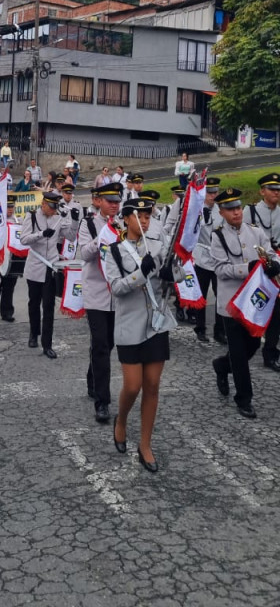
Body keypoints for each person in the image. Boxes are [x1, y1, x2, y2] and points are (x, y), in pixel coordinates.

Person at [104, 200, 174, 473]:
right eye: (138, 216)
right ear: (125, 219)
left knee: (152, 386)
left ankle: (145, 444)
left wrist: (171, 272)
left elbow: (175, 276)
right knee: (133, 386)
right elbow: (116, 288)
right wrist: (140, 273)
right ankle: (121, 420)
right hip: (129, 327)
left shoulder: (157, 246)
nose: (144, 221)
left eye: (147, 216)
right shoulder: (114, 251)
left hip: (156, 324)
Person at [210, 187, 278, 419]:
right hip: (231, 305)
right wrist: (246, 268)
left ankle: (221, 366)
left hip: (253, 303)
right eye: (230, 209)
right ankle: (244, 398)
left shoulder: (255, 231)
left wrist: (273, 264)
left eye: (238, 207)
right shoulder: (218, 236)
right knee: (239, 353)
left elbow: (270, 253)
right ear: (222, 212)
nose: (236, 212)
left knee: (253, 346)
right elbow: (220, 269)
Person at [77, 183, 123, 422]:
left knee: (107, 344)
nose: (114, 205)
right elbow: (84, 254)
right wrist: (102, 237)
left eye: (117, 201)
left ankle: (92, 377)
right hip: (96, 293)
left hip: (117, 294)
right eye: (110, 201)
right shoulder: (89, 224)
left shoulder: (123, 224)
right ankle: (102, 401)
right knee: (101, 344)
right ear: (99, 202)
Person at [19, 191, 77, 359]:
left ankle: (47, 344)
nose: (53, 210)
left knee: (49, 306)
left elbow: (71, 236)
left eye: (55, 207)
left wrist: (74, 220)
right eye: (51, 207)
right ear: (43, 204)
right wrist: (41, 234)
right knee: (34, 303)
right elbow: (23, 239)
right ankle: (33, 333)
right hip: (35, 266)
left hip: (50, 267)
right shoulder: (31, 216)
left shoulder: (58, 217)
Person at [243, 172, 280, 372]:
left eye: (278, 189)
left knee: (277, 311)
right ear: (262, 191)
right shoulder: (251, 211)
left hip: (277, 267)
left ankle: (271, 352)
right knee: (256, 306)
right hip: (257, 267)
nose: (276, 192)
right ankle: (246, 344)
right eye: (272, 189)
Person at [190, 177, 222, 344]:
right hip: (201, 257)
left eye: (215, 192)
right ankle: (200, 328)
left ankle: (219, 330)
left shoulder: (221, 209)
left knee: (220, 294)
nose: (213, 195)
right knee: (201, 294)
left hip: (218, 258)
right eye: (209, 192)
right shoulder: (196, 209)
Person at [0, 194, 25, 321]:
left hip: (12, 259)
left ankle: (7, 312)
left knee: (9, 287)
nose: (10, 209)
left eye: (12, 207)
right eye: (8, 207)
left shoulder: (18, 222)